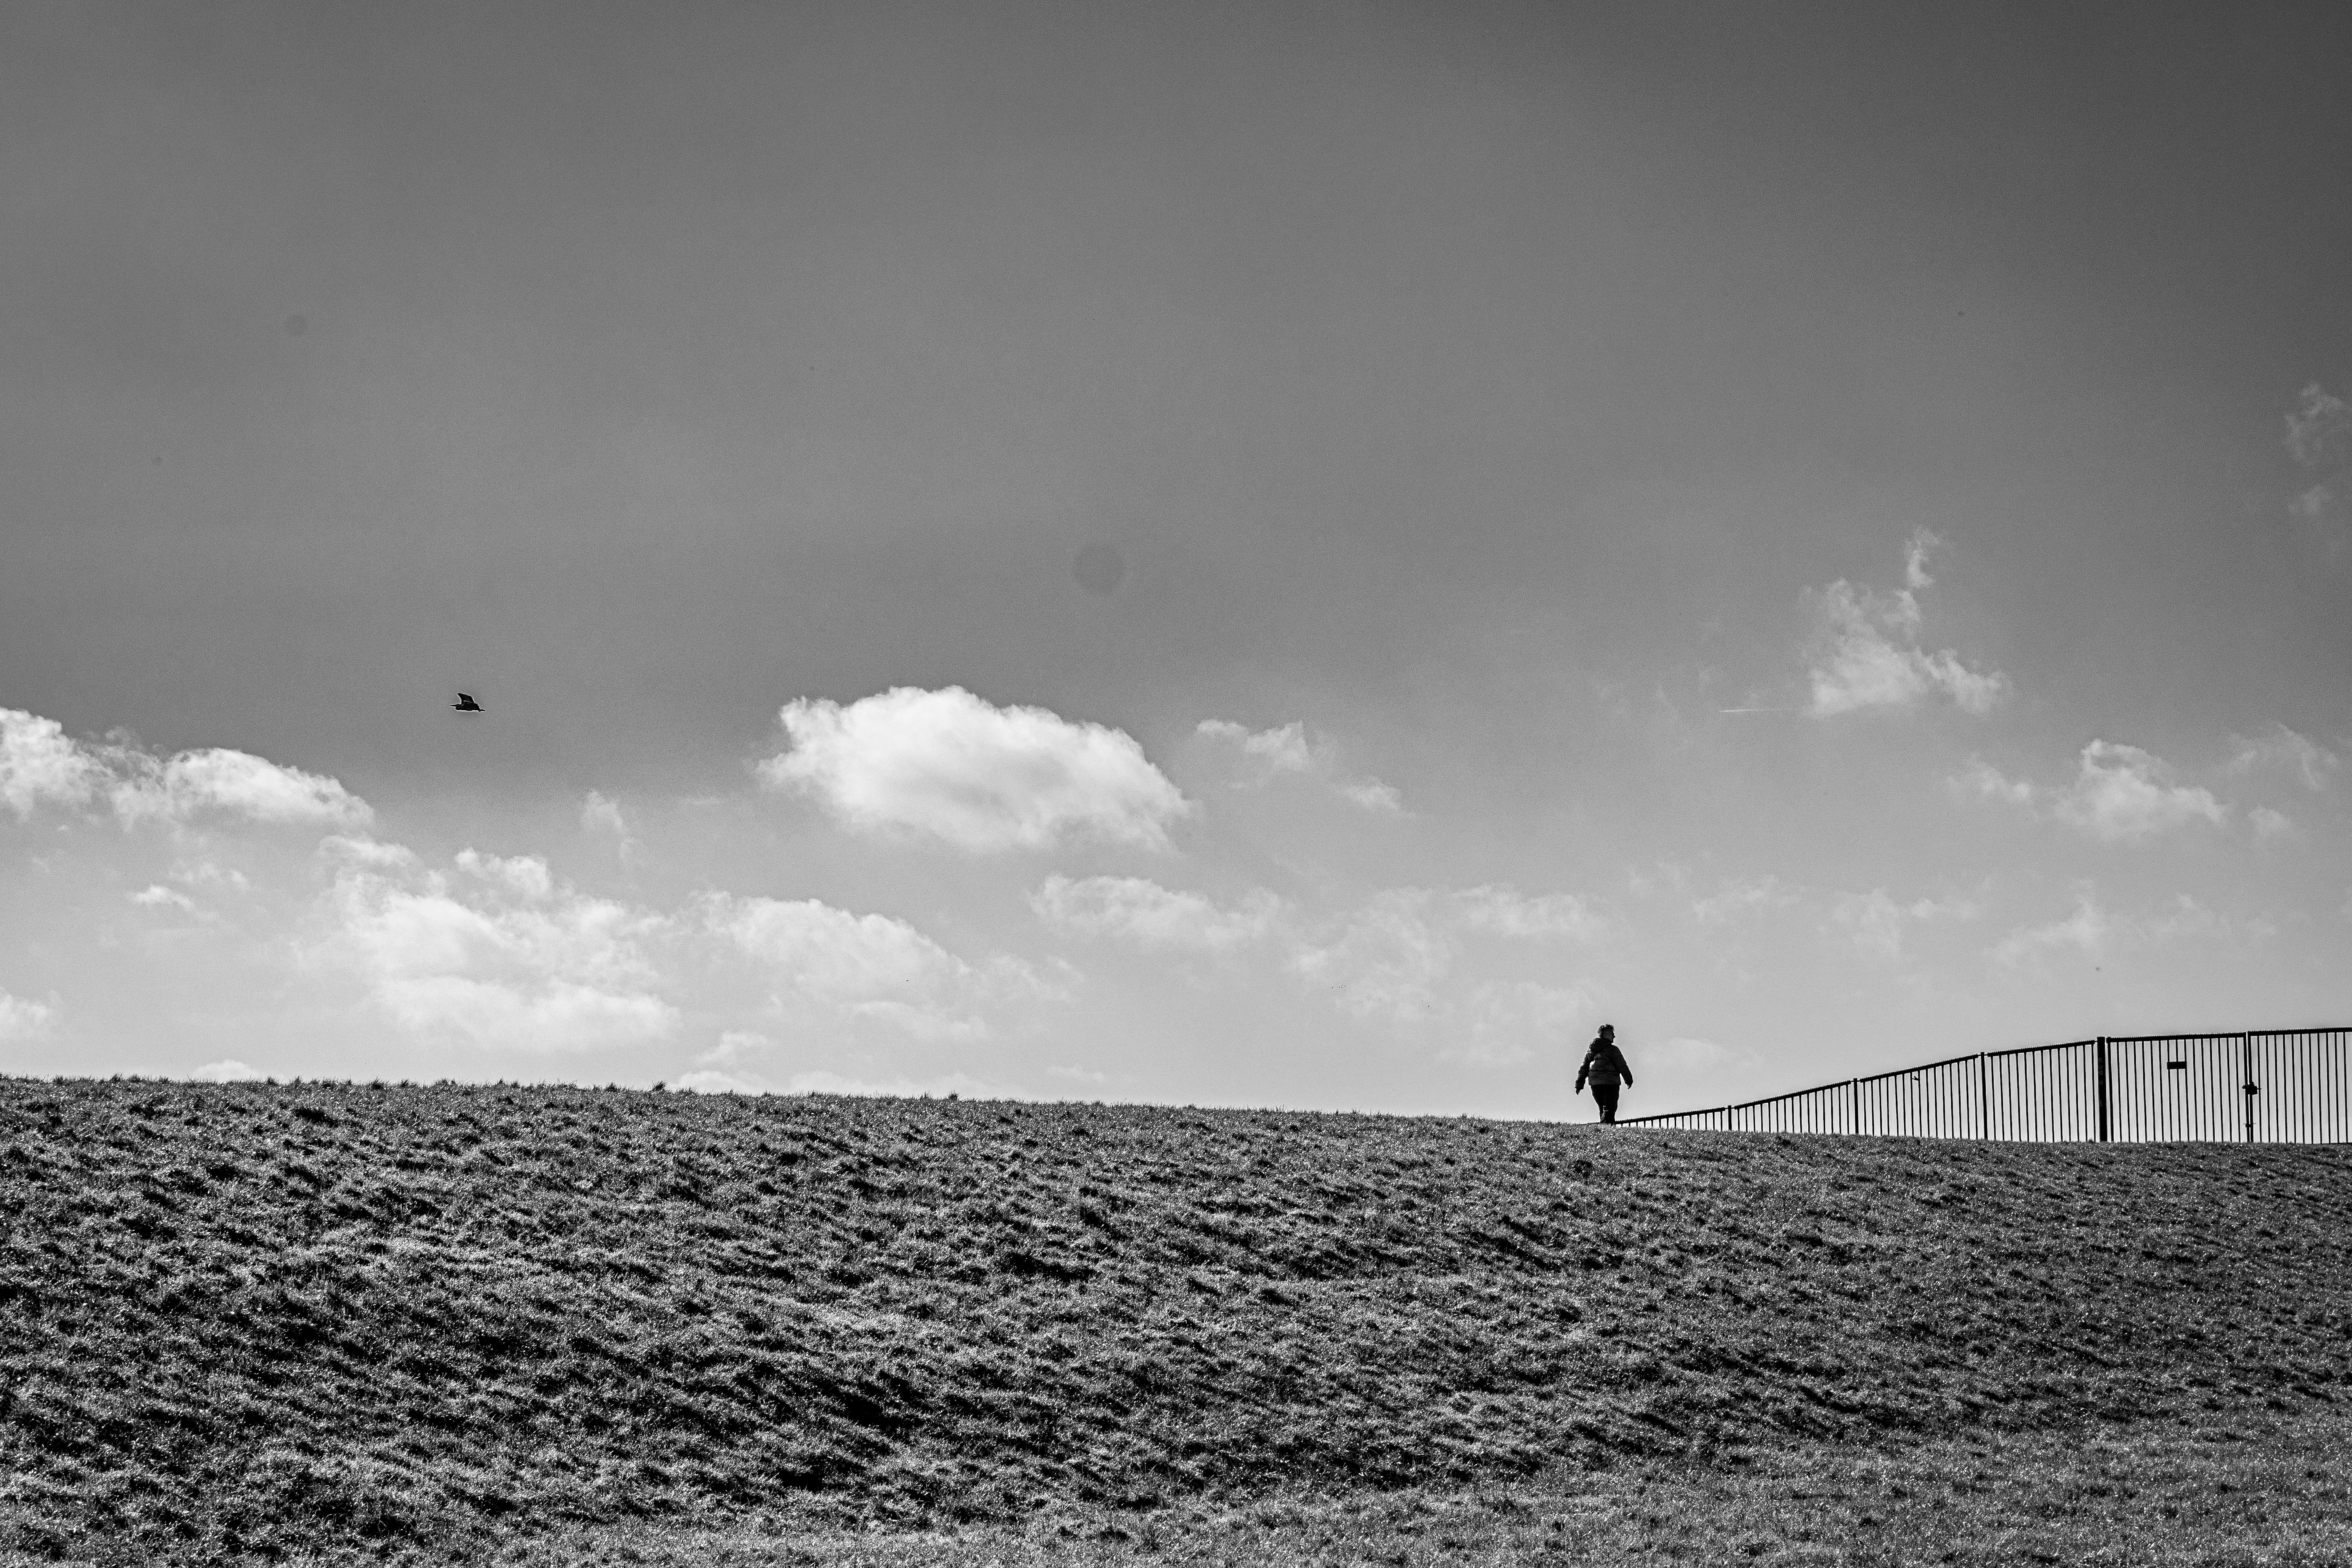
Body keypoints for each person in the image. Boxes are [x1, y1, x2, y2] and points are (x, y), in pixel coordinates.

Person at [1574, 1024, 1633, 1124]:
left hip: (1595, 1084)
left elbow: (1584, 1068)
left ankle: (1607, 1128)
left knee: (1603, 1108)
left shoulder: (1591, 1051)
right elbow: (1622, 1066)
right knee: (1610, 1107)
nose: (1614, 1037)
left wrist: (1579, 1084)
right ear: (1606, 1035)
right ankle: (1607, 1128)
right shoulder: (1613, 1050)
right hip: (1611, 1083)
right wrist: (1629, 1080)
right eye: (1612, 1034)